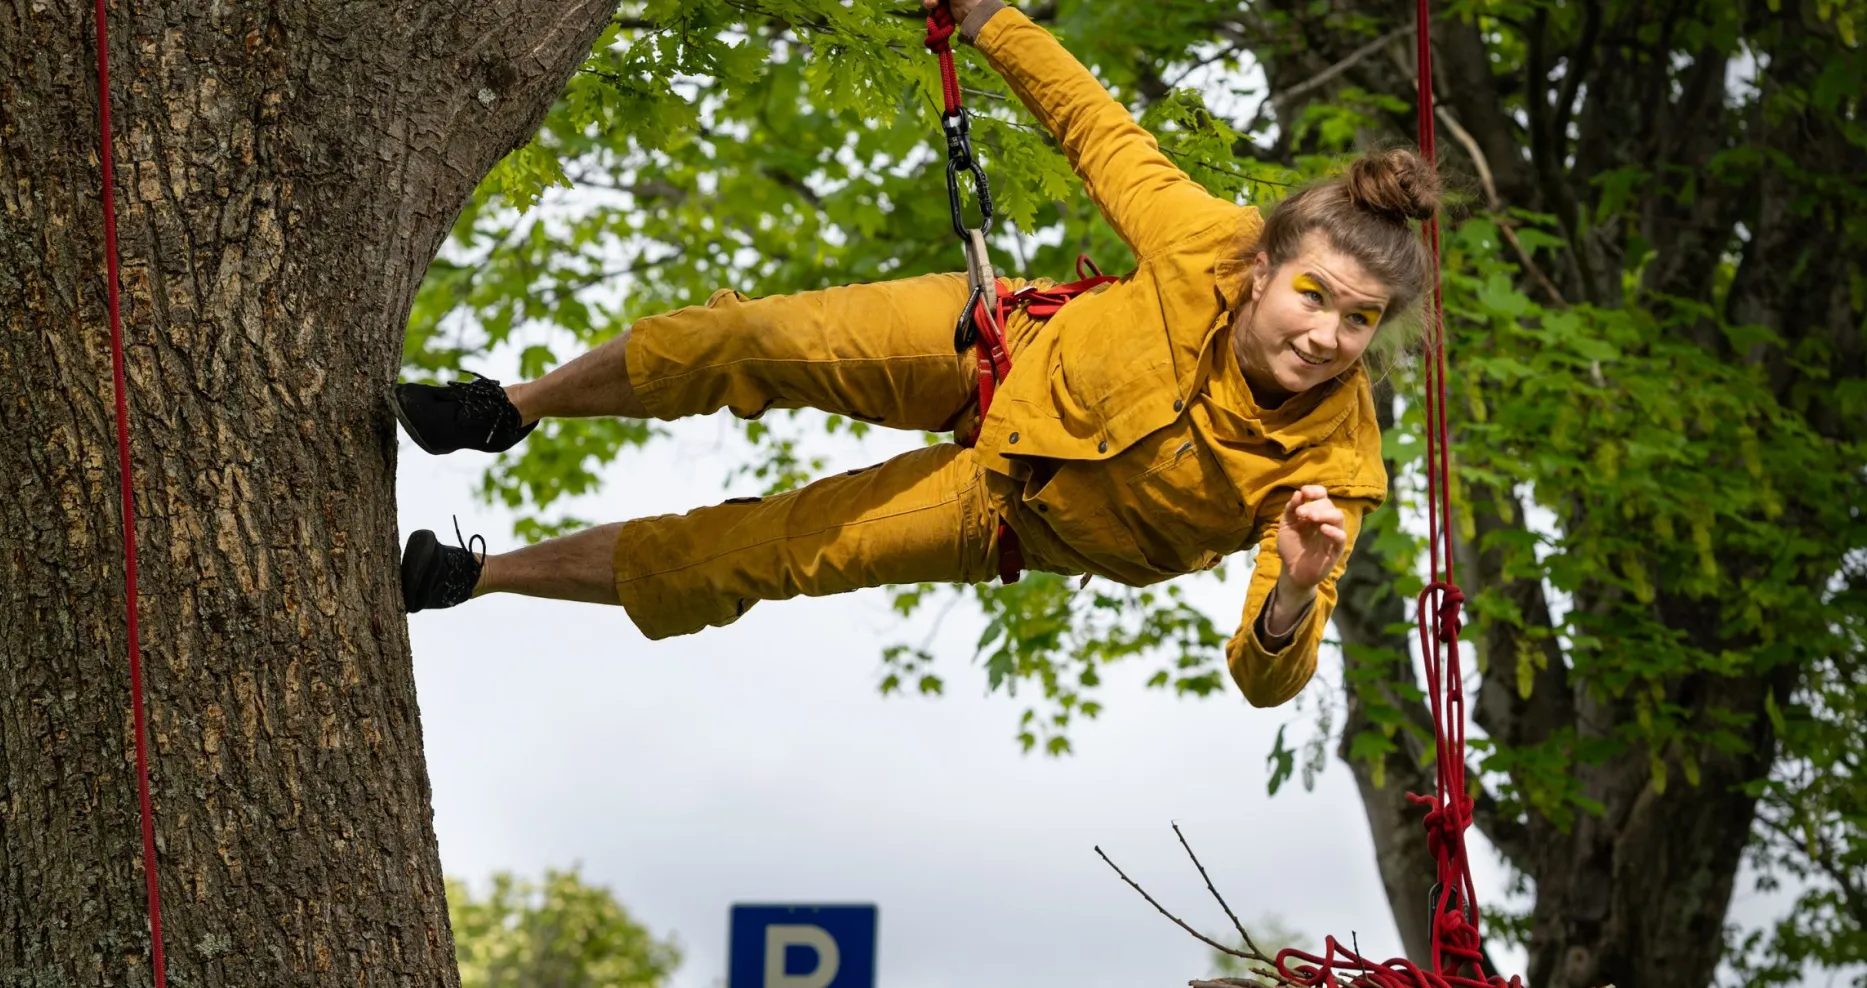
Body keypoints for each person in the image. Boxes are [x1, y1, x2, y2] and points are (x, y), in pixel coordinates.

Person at [392, 0, 1439, 709]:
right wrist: (985, 17)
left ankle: (477, 575)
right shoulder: (1203, 239)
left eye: (1358, 320)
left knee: (757, 554)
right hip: (996, 346)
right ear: (1262, 269)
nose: (1326, 334)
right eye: (1314, 295)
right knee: (745, 339)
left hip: (1004, 513)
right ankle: (510, 408)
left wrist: (1296, 592)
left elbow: (1264, 681)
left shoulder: (1329, 469)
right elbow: (1096, 128)